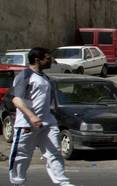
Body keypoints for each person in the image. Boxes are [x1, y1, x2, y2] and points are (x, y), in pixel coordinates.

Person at [7, 47, 76, 186]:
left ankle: (63, 183)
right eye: (48, 58)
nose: (51, 61)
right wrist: (32, 117)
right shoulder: (25, 75)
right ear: (37, 60)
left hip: (48, 123)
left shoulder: (45, 77)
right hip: (26, 124)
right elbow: (16, 100)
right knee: (22, 155)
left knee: (54, 153)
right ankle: (17, 182)